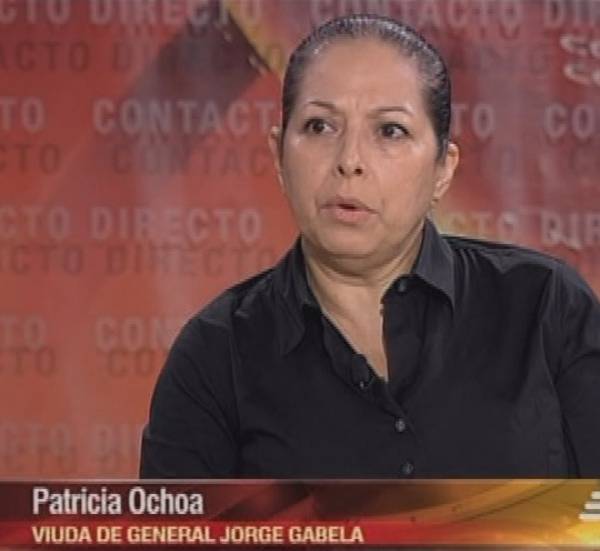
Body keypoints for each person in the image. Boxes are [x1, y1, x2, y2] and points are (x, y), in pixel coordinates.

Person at [140, 14, 600, 478]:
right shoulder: (217, 354)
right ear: (279, 155)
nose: (350, 161)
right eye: (319, 126)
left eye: (390, 131)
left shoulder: (545, 308)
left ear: (443, 168)